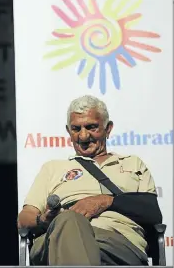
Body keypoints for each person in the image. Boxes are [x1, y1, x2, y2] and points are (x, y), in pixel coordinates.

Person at [18, 95, 162, 266]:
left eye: (91, 127)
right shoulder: (52, 168)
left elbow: (152, 212)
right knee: (69, 221)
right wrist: (44, 220)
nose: (83, 136)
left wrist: (105, 201)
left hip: (116, 242)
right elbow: (24, 219)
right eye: (76, 129)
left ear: (108, 129)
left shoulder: (133, 163)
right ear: (68, 131)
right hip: (57, 239)